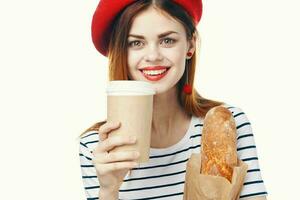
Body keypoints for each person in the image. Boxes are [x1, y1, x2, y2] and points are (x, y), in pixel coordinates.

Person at [79, 0, 268, 199]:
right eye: (136, 43)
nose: (153, 56)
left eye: (167, 40)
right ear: (121, 53)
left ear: (190, 44)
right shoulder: (96, 147)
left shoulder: (228, 124)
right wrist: (108, 190)